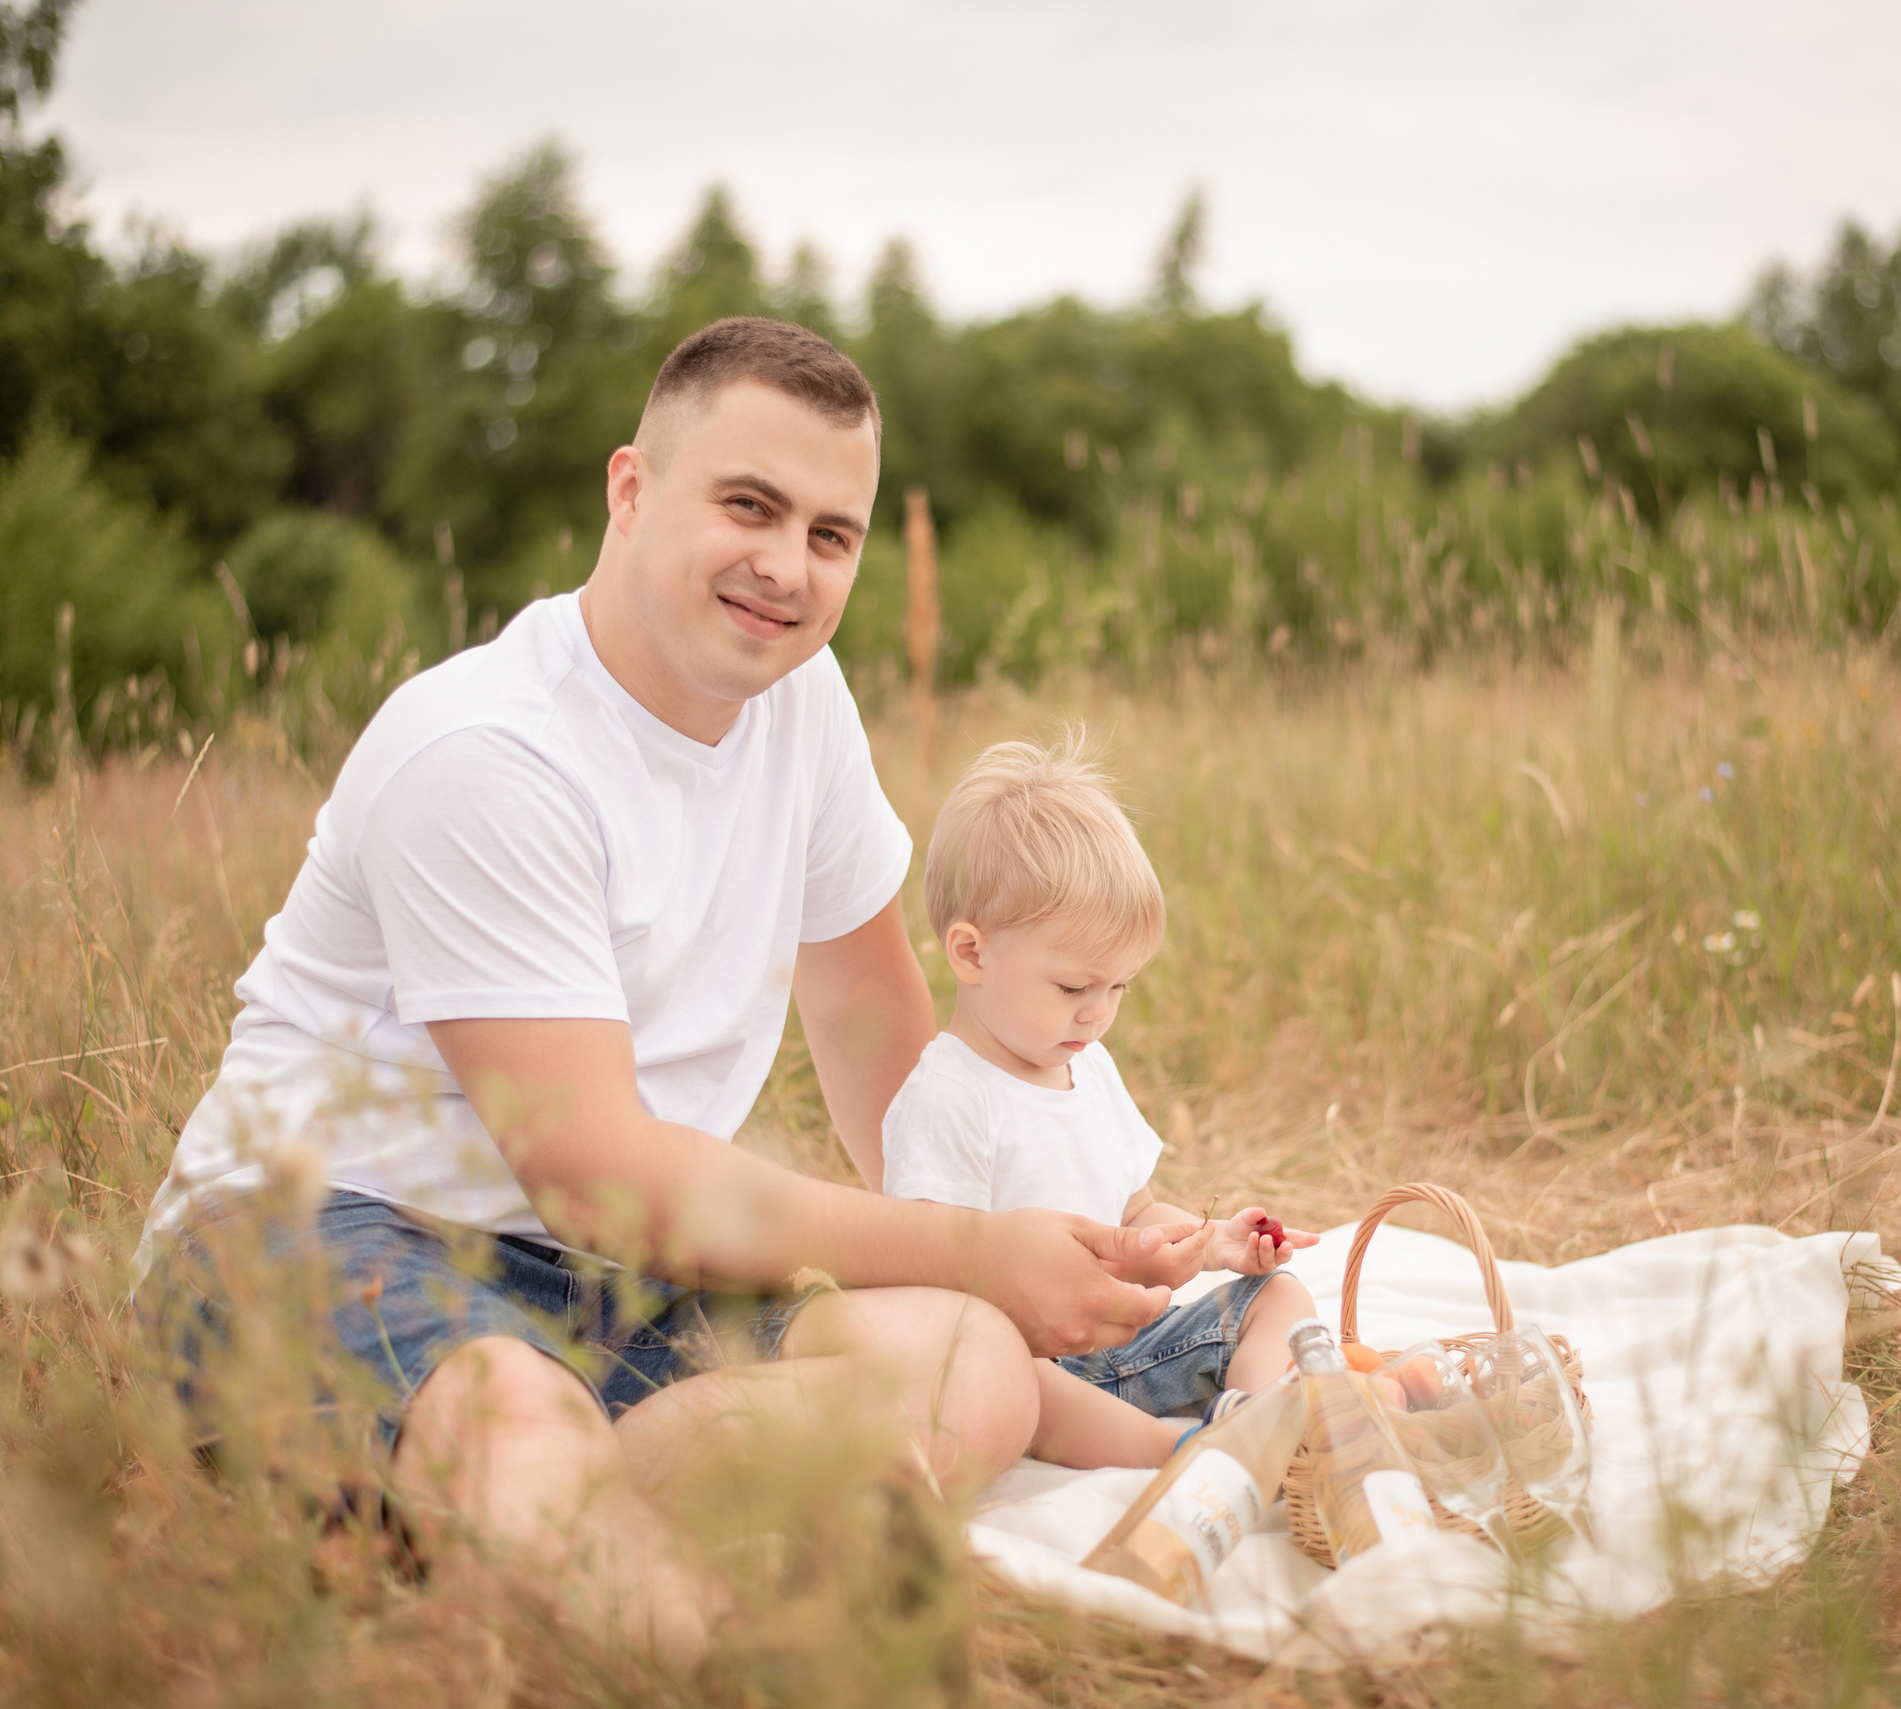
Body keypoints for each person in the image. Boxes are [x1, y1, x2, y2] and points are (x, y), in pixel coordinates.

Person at [136, 318, 1180, 1666]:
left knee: (967, 1358)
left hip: (613, 1278)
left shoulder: (801, 703)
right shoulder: (486, 751)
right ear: (630, 489)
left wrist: (1029, 1254)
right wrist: (972, 1248)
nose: (787, 566)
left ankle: (511, 1525)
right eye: (748, 505)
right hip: (329, 1225)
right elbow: (598, 1175)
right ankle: (732, 1659)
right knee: (511, 1409)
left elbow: (870, 1030)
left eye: (831, 533)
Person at [880, 735, 1319, 1470]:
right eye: (1074, 987)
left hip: (1125, 1343)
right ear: (972, 953)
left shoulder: (1087, 1066)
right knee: (1000, 1366)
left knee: (1278, 1296)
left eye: (1119, 987)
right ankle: (1185, 1452)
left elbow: (1136, 1214)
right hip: (1030, 1364)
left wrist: (1209, 1243)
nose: (1098, 1013)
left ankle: (1260, 1416)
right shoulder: (950, 1096)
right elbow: (936, 1294)